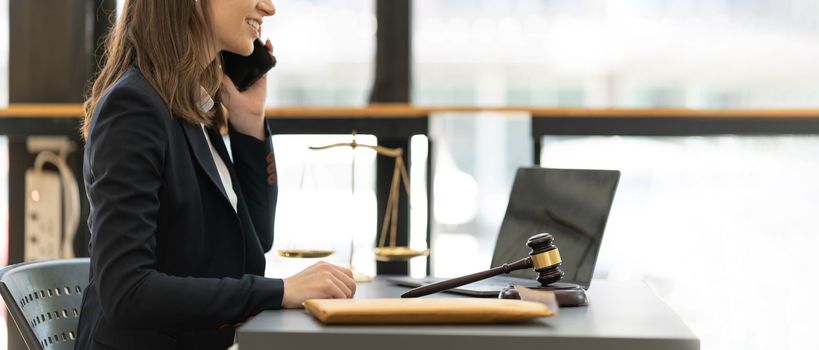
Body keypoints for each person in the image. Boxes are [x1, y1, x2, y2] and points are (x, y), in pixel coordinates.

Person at [75, 1, 356, 349]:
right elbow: (127, 292)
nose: (268, 7)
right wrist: (280, 291)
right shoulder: (134, 108)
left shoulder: (191, 109)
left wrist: (249, 123)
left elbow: (255, 241)